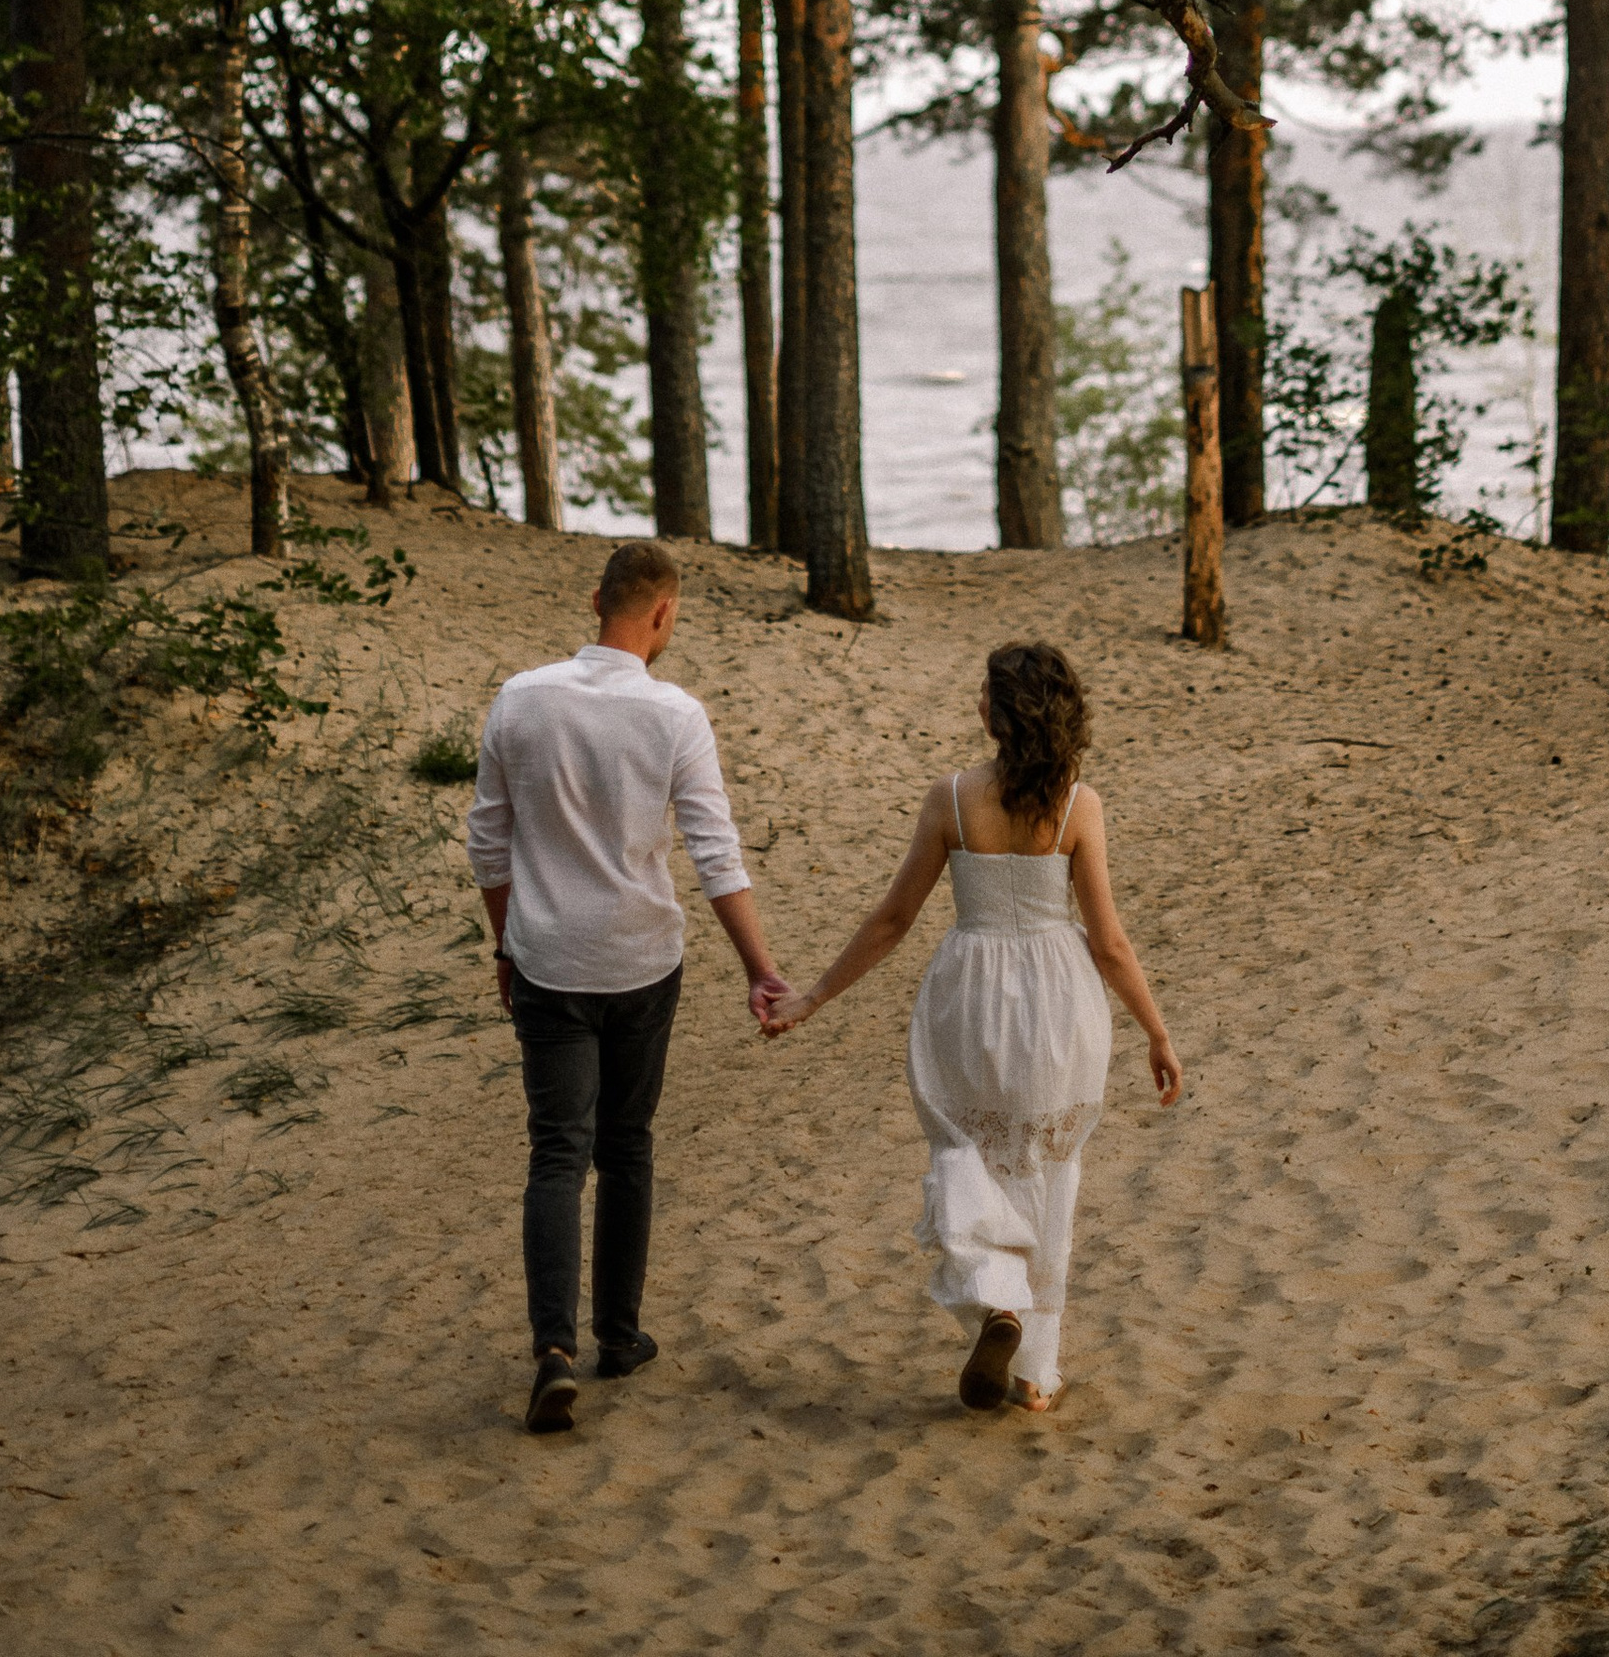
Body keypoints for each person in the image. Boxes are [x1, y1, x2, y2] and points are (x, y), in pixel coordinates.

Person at [765, 638, 1181, 1414]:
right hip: (1059, 1000)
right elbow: (1110, 943)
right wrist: (1156, 1032)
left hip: (970, 995)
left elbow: (894, 919)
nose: (977, 703)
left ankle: (997, 1300)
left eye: (985, 693)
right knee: (1048, 1172)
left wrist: (813, 997)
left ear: (1001, 714)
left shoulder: (951, 799)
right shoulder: (1078, 806)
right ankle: (1035, 1373)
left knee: (967, 1151)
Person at [467, 536, 787, 1436]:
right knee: (627, 1146)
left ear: (596, 602)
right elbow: (716, 856)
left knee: (555, 1153)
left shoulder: (521, 699)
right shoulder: (675, 714)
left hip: (546, 958)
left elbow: (488, 843)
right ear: (663, 613)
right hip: (641, 961)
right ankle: (618, 1332)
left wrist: (507, 943)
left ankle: (552, 1348)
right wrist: (760, 969)